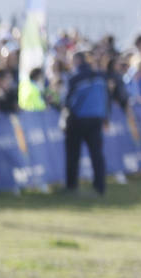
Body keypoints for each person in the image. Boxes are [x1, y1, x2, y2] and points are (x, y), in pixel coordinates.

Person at [63, 50, 109, 195]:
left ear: (77, 61)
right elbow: (106, 99)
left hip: (78, 120)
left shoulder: (76, 78)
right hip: (96, 119)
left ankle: (72, 186)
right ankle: (100, 186)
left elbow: (70, 102)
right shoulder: (100, 78)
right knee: (96, 154)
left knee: (73, 154)